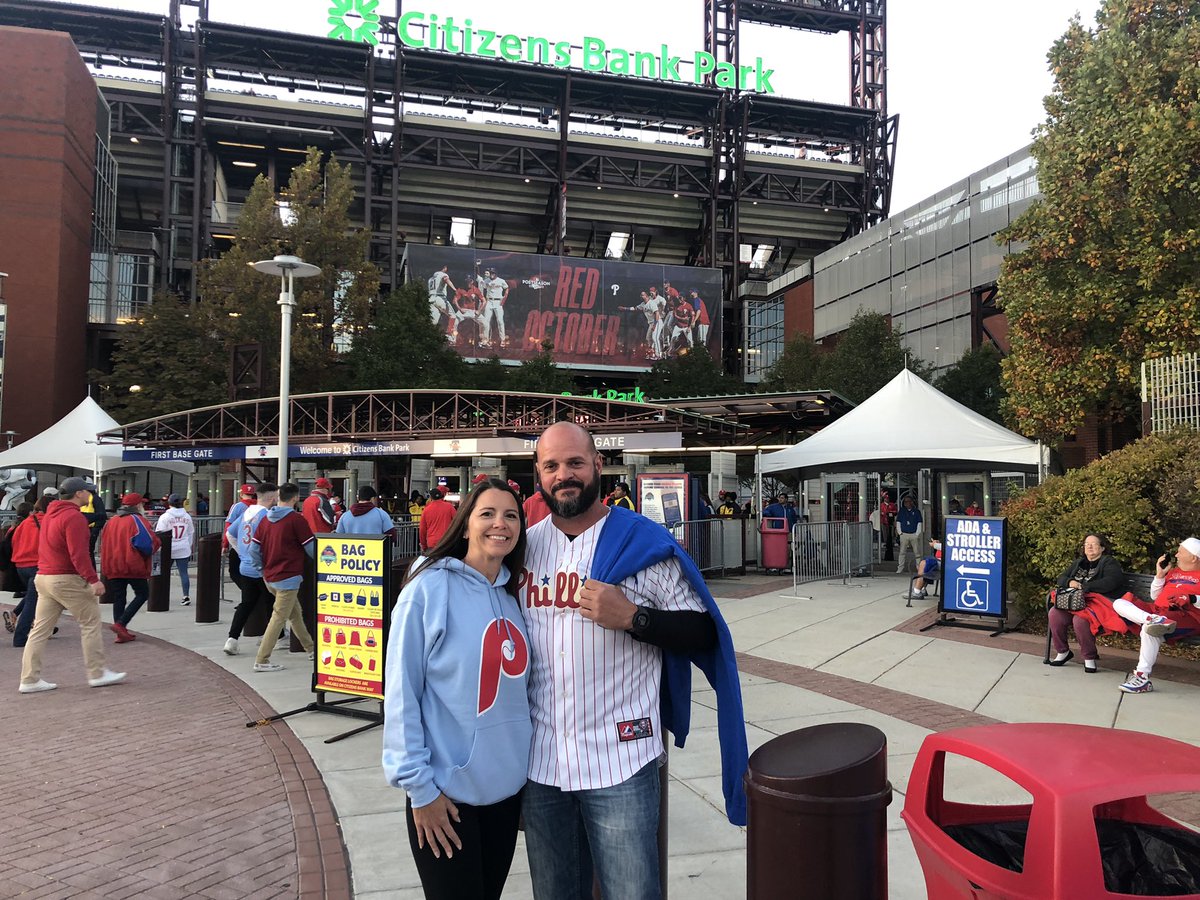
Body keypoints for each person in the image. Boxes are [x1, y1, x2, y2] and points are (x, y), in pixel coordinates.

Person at [519, 422, 747, 899]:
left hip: (620, 758)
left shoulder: (641, 541)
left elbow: (703, 630)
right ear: (538, 474)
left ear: (599, 466)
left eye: (576, 463)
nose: (565, 475)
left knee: (632, 893)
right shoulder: (524, 546)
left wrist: (635, 618)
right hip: (540, 762)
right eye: (552, 466)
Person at [383, 479, 531, 900]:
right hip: (446, 798)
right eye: (487, 513)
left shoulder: (511, 596)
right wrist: (419, 790)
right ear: (465, 525)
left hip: (505, 796)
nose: (499, 524)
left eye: (511, 515)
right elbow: (401, 693)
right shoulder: (429, 589)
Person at [18, 477, 125, 693]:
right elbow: (79, 554)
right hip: (66, 577)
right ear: (78, 494)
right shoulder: (74, 518)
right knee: (90, 622)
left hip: (44, 576)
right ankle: (97, 672)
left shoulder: (50, 514)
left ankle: (29, 679)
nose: (91, 495)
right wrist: (93, 579)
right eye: (88, 491)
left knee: (39, 630)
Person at [1046, 532, 1175, 682]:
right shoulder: (1079, 563)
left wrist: (1085, 587)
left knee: (1080, 620)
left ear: (1102, 548)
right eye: (1087, 544)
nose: (1089, 546)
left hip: (1098, 604)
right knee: (1055, 613)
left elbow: (1112, 582)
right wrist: (1070, 583)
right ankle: (1063, 651)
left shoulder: (1108, 562)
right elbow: (1061, 578)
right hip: (1074, 602)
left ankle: (1089, 657)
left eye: (1094, 544)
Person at [248, 483, 316, 672]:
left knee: (295, 614)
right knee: (278, 618)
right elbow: (311, 548)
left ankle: (311, 649)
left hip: (270, 577)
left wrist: (262, 569)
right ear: (295, 498)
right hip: (289, 577)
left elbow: (253, 550)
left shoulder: (265, 520)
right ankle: (262, 659)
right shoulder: (297, 520)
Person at [223, 483, 278, 656]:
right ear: (271, 498)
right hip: (261, 566)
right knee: (271, 603)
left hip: (245, 566)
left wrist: (242, 553)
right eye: (276, 496)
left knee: (246, 604)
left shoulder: (246, 512)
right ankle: (275, 637)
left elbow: (230, 534)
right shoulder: (267, 516)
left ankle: (232, 639)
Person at [102, 493, 162, 643]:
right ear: (137, 505)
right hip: (132, 564)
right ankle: (121, 624)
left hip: (113, 564)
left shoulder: (112, 521)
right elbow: (146, 544)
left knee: (119, 597)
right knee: (142, 593)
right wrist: (156, 545)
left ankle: (120, 630)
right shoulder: (137, 520)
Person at [8, 499, 46, 646]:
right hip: (36, 564)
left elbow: (13, 541)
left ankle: (42, 626)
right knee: (34, 600)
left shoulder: (22, 524)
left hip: (21, 565)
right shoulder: (46, 521)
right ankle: (21, 636)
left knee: (34, 595)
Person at [155, 493, 195, 605]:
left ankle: (160, 594)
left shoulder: (165, 517)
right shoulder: (187, 516)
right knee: (184, 573)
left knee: (163, 572)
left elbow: (160, 532)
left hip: (168, 547)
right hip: (183, 546)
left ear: (169, 503)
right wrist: (188, 544)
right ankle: (186, 596)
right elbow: (190, 532)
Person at [224, 483, 257, 591]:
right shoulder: (258, 507)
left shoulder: (238, 506)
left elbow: (229, 526)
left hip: (239, 543)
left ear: (241, 494)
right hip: (254, 544)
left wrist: (225, 544)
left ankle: (247, 593)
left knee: (234, 572)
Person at [420, 487, 456, 552]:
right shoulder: (449, 507)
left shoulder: (426, 510)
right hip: (447, 541)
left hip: (432, 543)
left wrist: (424, 546)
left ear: (431, 497)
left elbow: (422, 530)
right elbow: (457, 521)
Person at [895, 495, 923, 574]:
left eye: (908, 501)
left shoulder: (917, 511)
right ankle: (900, 567)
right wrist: (900, 532)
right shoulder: (902, 511)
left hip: (913, 533)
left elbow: (919, 523)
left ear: (912, 502)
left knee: (917, 552)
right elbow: (898, 522)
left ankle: (918, 567)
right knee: (902, 552)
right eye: (905, 502)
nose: (907, 503)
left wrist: (917, 534)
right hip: (904, 533)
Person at [428, 265, 456, 329]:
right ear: (444, 268)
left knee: (433, 322)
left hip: (431, 300)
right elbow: (446, 279)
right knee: (453, 316)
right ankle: (450, 334)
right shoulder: (442, 274)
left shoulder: (431, 279)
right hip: (440, 299)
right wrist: (455, 289)